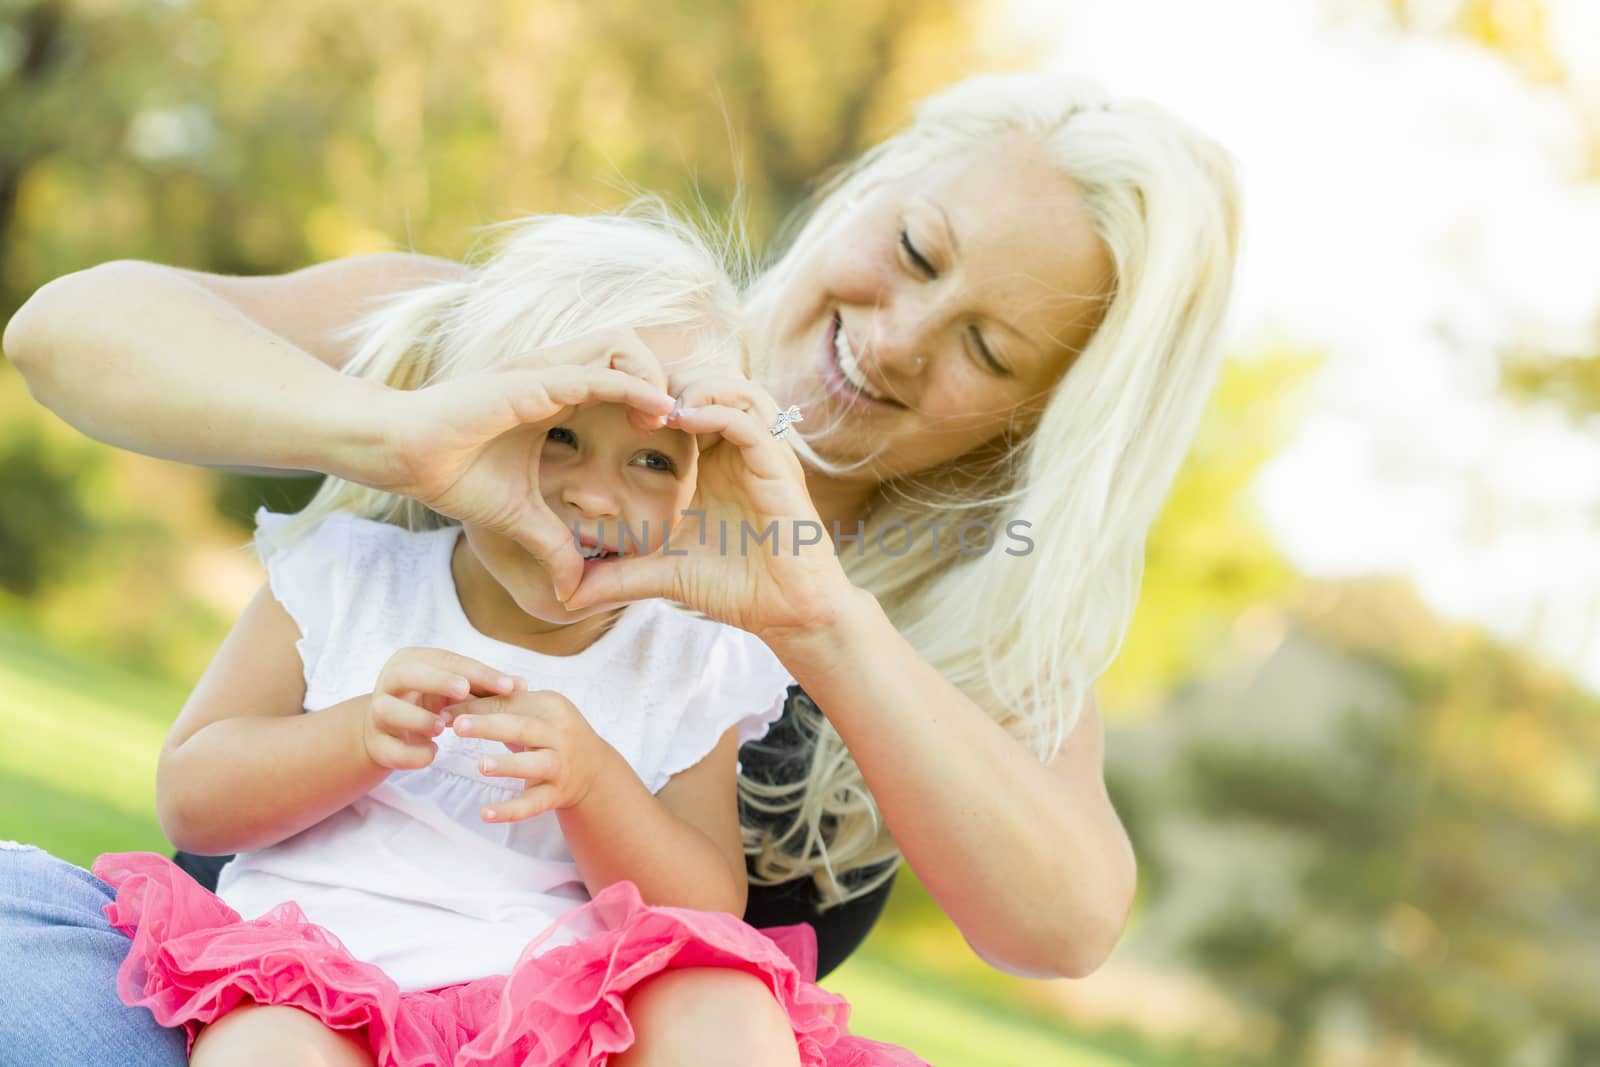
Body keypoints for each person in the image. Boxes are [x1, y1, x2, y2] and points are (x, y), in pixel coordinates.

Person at [1, 70, 1241, 1064]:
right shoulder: (511, 344)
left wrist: (823, 622)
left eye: (986, 345)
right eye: (916, 251)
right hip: (258, 1011)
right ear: (870, 191)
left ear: (1037, 418)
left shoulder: (967, 597)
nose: (900, 338)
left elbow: (1065, 925)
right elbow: (65, 332)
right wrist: (401, 433)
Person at [79, 208, 923, 1067]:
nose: (596, 496)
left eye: (654, 460)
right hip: (316, 982)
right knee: (267, 1047)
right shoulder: (348, 577)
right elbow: (194, 798)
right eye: (561, 435)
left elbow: (703, 909)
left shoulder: (686, 659)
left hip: (561, 1019)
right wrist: (358, 734)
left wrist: (596, 786)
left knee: (724, 997)